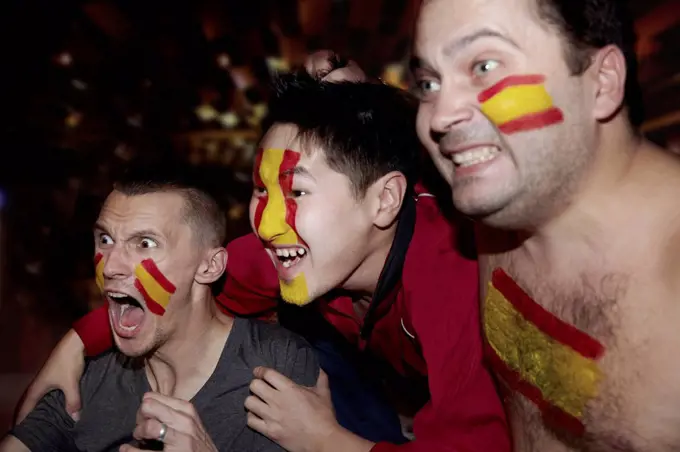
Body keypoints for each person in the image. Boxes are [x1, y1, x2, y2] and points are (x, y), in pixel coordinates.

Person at [15, 68, 511, 452]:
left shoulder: (455, 276)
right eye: (260, 189)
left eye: (296, 190)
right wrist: (76, 343)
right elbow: (182, 285)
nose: (267, 223)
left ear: (384, 201)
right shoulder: (288, 253)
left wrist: (326, 441)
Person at [408, 0, 680, 451]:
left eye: (484, 65)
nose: (437, 117)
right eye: (429, 83)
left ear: (602, 83)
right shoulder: (499, 209)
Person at [2, 165, 319, 452]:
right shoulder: (86, 375)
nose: (110, 266)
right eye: (105, 239)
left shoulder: (278, 368)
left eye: (145, 244)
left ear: (209, 267)